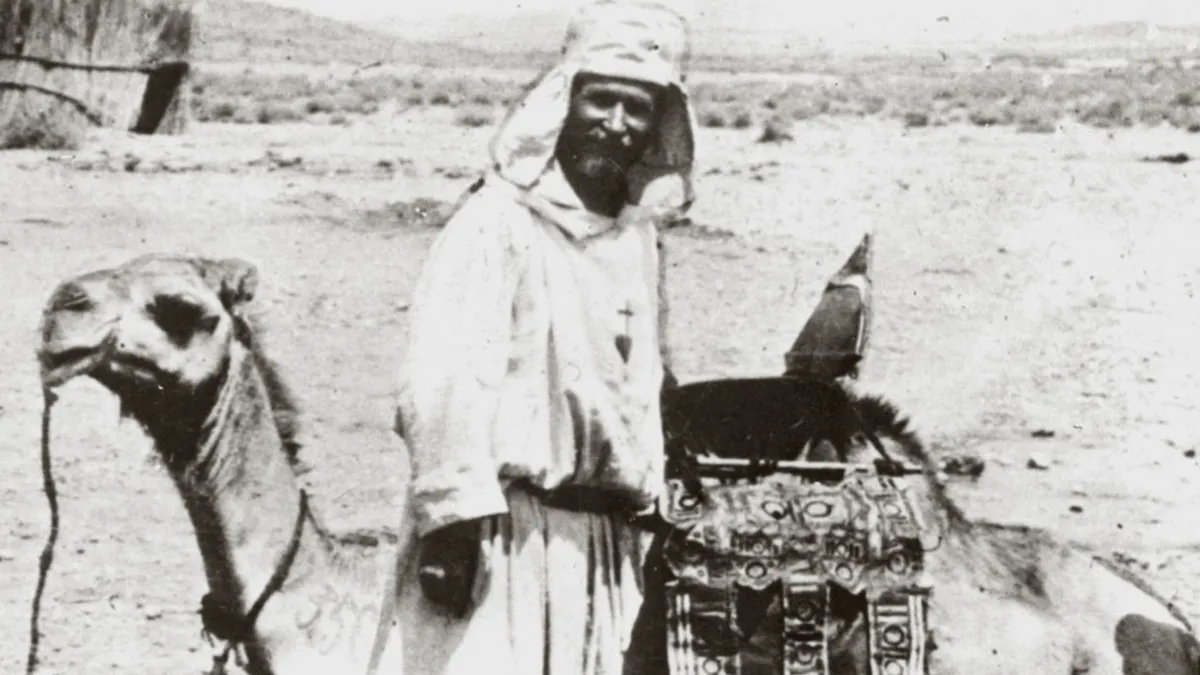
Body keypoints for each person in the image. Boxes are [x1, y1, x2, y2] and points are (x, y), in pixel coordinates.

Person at [372, 2, 698, 674]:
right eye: (600, 100)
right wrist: (450, 524)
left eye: (637, 108)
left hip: (605, 544)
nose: (616, 123)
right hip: (502, 537)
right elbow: (444, 378)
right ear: (564, 101)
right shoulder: (498, 223)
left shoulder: (637, 240)